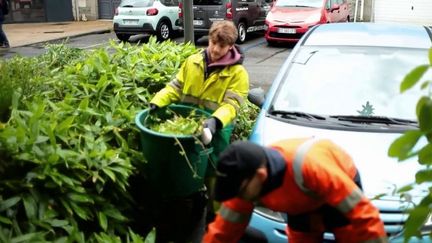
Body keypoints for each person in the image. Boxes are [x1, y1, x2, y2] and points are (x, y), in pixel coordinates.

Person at [146, 20, 249, 242]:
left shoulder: (238, 73)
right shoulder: (192, 62)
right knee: (187, 173)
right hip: (187, 131)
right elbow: (174, 88)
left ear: (230, 46)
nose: (215, 49)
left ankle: (214, 223)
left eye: (221, 46)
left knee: (214, 178)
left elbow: (232, 105)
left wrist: (215, 122)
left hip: (215, 134)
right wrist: (157, 101)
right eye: (213, 42)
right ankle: (191, 215)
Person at [203, 138, 388, 243]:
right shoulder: (244, 181)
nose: (238, 198)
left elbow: (364, 216)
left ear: (260, 176)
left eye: (241, 192)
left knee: (353, 238)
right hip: (300, 204)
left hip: (334, 192)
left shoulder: (312, 167)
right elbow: (222, 232)